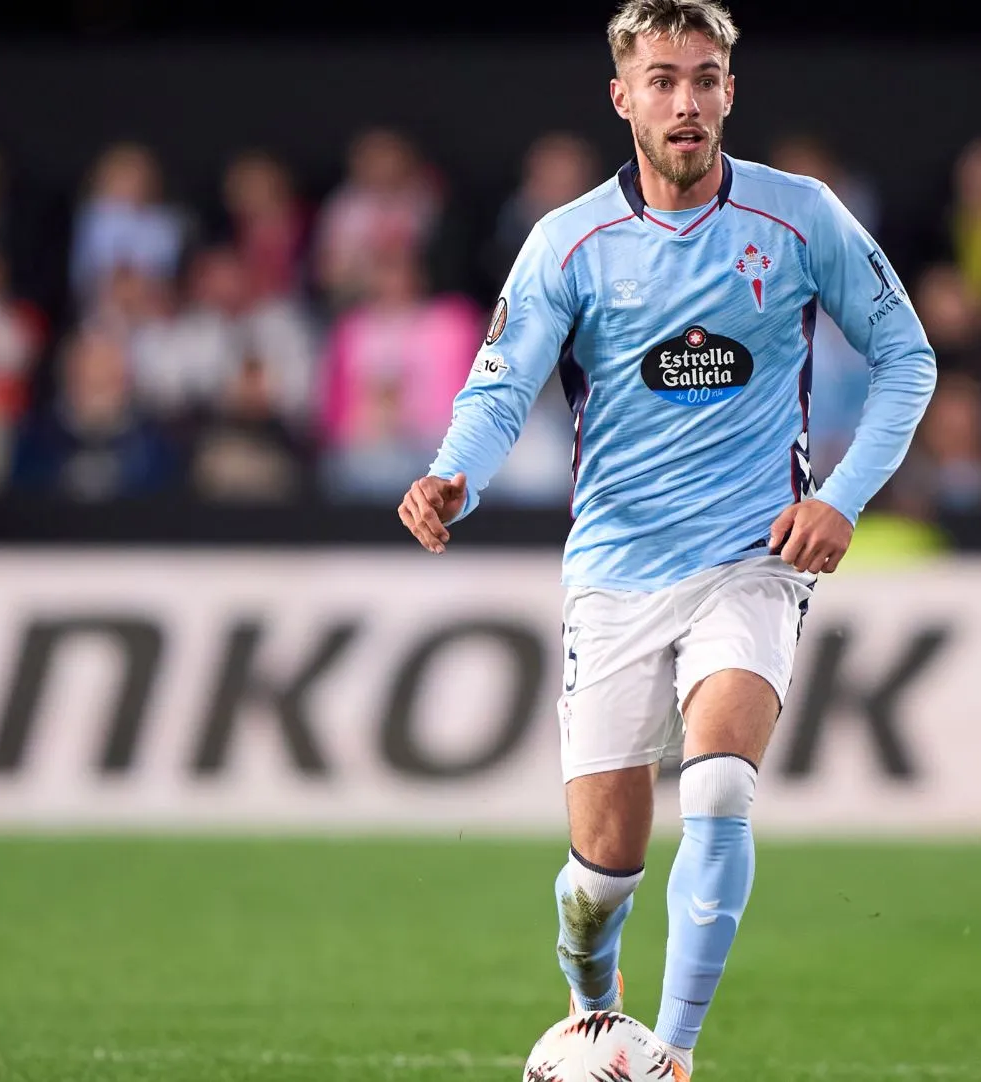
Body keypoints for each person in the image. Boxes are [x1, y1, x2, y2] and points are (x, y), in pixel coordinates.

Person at [393, 3, 936, 1078]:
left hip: (752, 557)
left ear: (730, 90)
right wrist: (457, 470)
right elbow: (501, 389)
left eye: (705, 77)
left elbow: (907, 358)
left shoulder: (800, 217)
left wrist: (841, 496)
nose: (685, 100)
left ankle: (673, 1058)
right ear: (623, 97)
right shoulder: (571, 241)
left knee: (724, 785)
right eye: (663, 79)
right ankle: (594, 1004)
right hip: (614, 575)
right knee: (601, 877)